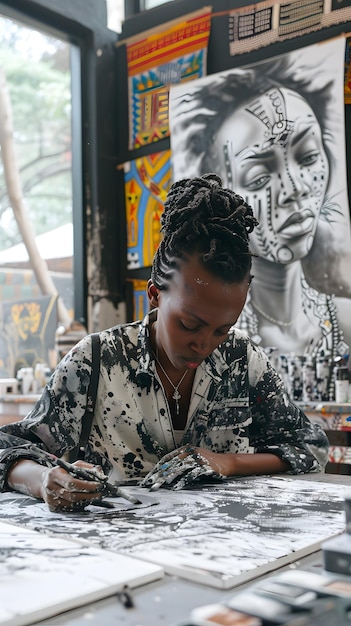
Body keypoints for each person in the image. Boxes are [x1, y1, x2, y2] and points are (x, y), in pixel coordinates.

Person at [0, 174, 328, 512]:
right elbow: (6, 449)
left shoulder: (241, 358)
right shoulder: (96, 361)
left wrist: (225, 462)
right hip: (119, 545)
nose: (204, 344)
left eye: (222, 329)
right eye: (189, 324)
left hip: (224, 550)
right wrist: (43, 480)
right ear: (154, 295)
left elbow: (309, 446)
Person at [169, 56, 351, 362]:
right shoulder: (210, 339)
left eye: (307, 157)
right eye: (259, 177)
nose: (294, 189)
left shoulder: (345, 321)